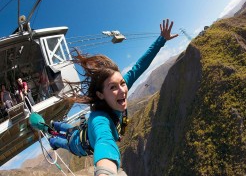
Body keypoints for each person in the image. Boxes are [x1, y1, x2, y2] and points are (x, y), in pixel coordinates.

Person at [48, 19, 178, 175]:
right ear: (100, 94)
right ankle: (52, 138)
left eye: (122, 83)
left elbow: (139, 66)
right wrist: (106, 172)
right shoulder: (99, 119)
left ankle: (55, 125)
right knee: (64, 141)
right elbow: (104, 141)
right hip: (79, 144)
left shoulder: (120, 89)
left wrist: (161, 39)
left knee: (70, 129)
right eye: (113, 87)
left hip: (82, 131)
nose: (123, 90)